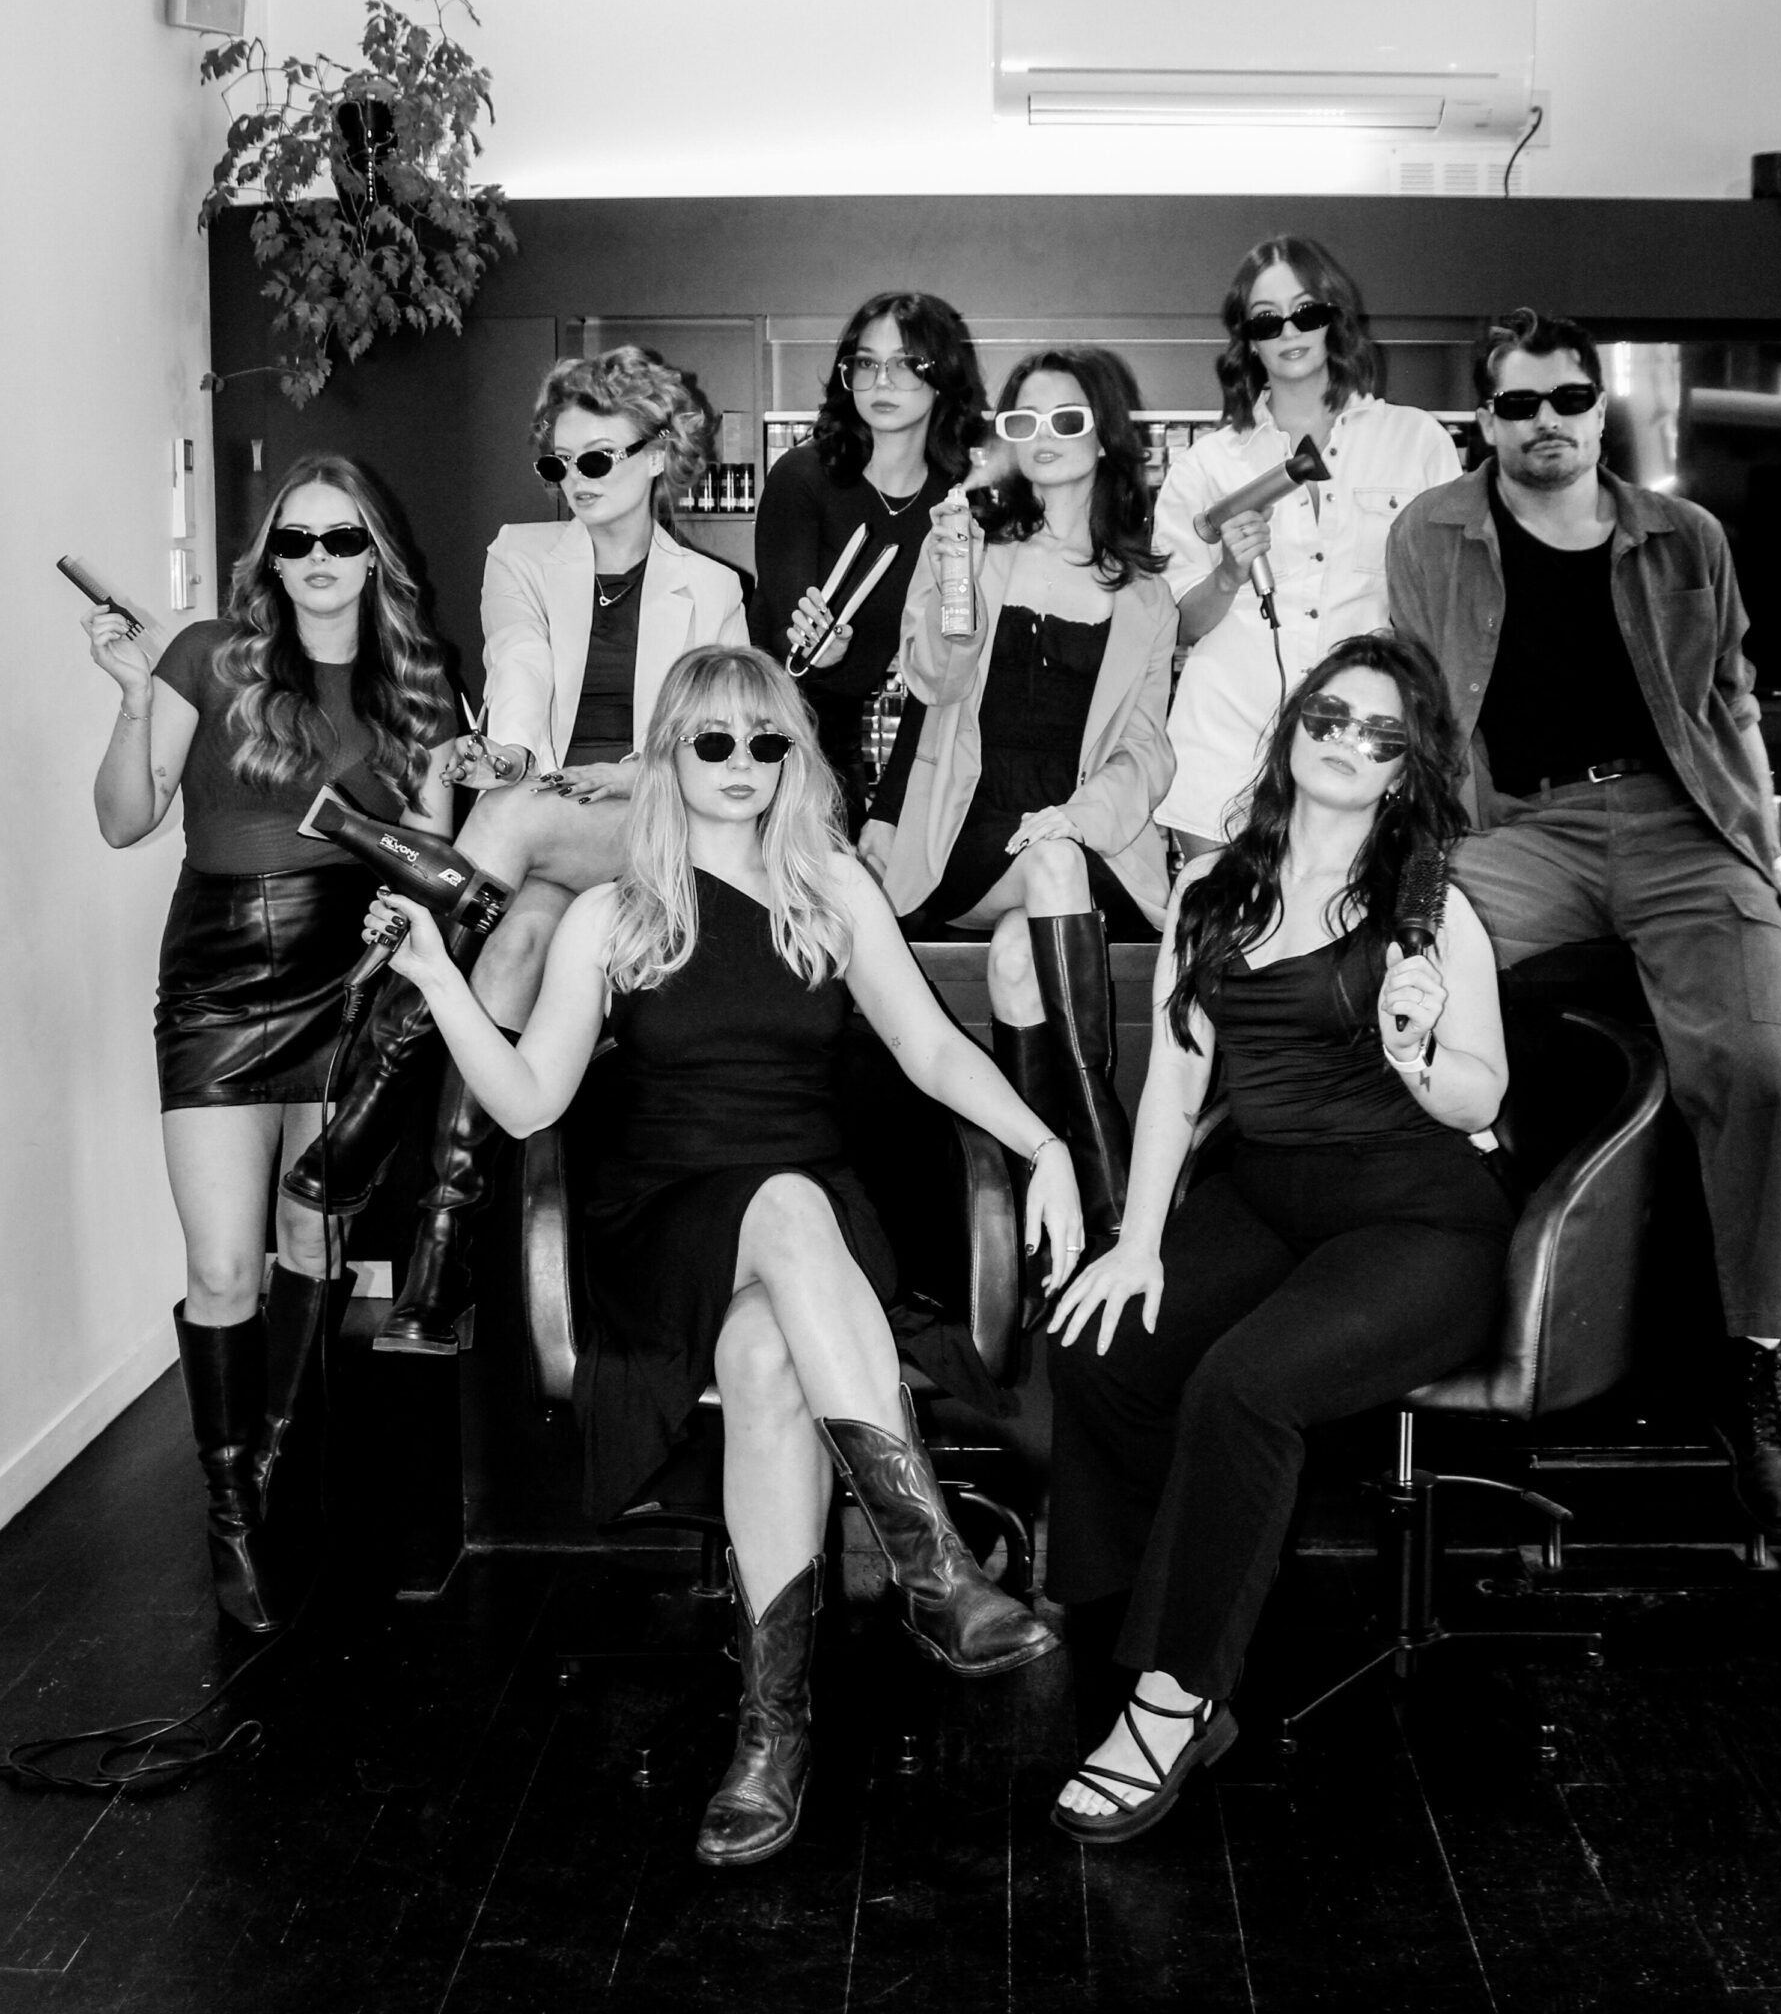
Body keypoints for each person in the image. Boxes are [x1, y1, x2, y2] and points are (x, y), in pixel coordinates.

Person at [360, 644, 1080, 1868]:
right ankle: (930, 1568)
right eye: (714, 741)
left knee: (762, 1353)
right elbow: (529, 1104)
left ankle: (770, 1730)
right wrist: (436, 977)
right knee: (781, 1213)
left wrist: (1043, 1143)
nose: (742, 762)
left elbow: (929, 1049)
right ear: (669, 756)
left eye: (766, 741)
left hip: (816, 1222)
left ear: (793, 757)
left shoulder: (831, 888)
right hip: (665, 1218)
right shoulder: (610, 914)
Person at [1386, 307, 1781, 1547]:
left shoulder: (1684, 536)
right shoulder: (1427, 534)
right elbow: (1418, 717)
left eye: (1565, 398)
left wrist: (1771, 871)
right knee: (1391, 989)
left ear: (1597, 405)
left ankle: (1757, 1366)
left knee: (1761, 1071)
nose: (1544, 423)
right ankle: (1420, 1297)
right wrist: (1402, 874)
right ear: (1483, 420)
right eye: (1515, 404)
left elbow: (1731, 710)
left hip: (1678, 826)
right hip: (1520, 829)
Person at [1044, 635, 1512, 1841]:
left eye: (1381, 734)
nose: (1348, 741)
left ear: (1405, 771)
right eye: (1330, 715)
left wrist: (1414, 1051)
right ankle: (1135, 1616)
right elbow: (1173, 1082)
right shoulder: (1213, 888)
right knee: (1100, 1343)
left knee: (1242, 1386)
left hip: (1413, 1215)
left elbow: (1481, 1094)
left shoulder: (1425, 907)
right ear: (1293, 725)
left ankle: (1174, 1698)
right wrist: (1137, 1239)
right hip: (1265, 1195)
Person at [279, 346, 745, 1352]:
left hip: (653, 822)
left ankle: (367, 1108)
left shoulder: (711, 588)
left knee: (509, 824)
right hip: (544, 828)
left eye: (598, 458)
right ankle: (442, 1260)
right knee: (518, 941)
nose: (576, 480)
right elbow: (519, 667)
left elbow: (712, 741)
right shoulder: (521, 555)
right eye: (558, 463)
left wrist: (622, 773)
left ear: (658, 455)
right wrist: (515, 757)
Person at [83, 456, 456, 1630]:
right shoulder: (210, 656)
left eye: (342, 540)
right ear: (271, 558)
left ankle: (284, 1457)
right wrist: (131, 694)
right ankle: (231, 1505)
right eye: (296, 541)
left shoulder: (419, 682)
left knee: (313, 1238)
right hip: (216, 983)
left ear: (375, 555)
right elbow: (124, 819)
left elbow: (431, 856)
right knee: (221, 1268)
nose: (318, 561)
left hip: (345, 977)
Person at [873, 345, 1178, 1261]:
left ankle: (1039, 1214)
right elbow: (933, 679)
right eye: (1023, 420)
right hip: (968, 834)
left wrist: (1078, 821)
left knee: (1017, 960)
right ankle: (1106, 1180)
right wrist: (955, 569)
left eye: (1066, 419)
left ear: (1105, 437)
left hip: (1086, 838)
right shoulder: (971, 548)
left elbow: (1147, 750)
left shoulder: (1147, 596)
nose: (1043, 436)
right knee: (1044, 866)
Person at [1153, 233, 1460, 857]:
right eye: (1267, 320)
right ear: (1248, 338)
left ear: (1333, 318)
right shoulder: (1205, 465)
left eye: (1306, 312)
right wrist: (1226, 575)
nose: (1289, 332)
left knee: (1351, 915)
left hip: (1361, 750)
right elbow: (1174, 626)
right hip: (1226, 745)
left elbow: (1447, 605)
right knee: (1221, 915)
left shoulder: (1415, 441)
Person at [751, 291, 988, 835]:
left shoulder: (951, 507)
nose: (882, 382)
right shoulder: (802, 476)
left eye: (905, 364)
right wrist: (815, 648)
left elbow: (938, 673)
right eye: (866, 363)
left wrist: (889, 811)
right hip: (761, 725)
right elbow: (789, 638)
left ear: (942, 377)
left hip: (840, 738)